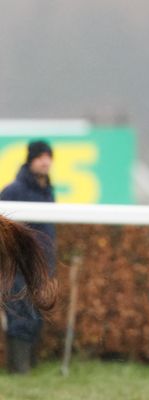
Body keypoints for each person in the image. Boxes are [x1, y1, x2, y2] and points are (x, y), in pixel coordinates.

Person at [0, 140, 56, 374]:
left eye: (48, 156)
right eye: (39, 156)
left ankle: (27, 368)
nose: (45, 161)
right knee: (21, 317)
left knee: (36, 317)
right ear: (30, 160)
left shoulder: (48, 191)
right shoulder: (13, 190)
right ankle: (19, 370)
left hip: (41, 268)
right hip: (18, 267)